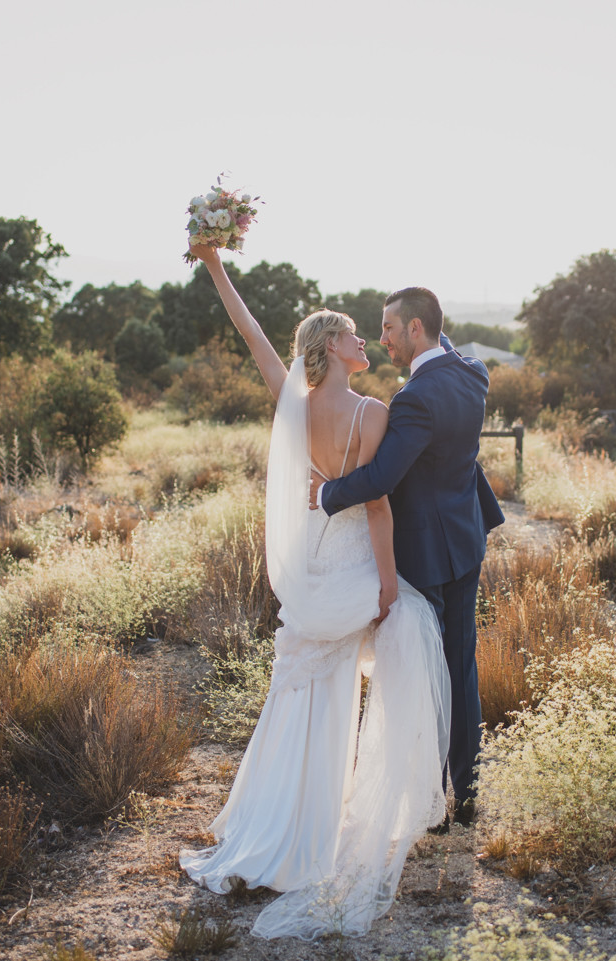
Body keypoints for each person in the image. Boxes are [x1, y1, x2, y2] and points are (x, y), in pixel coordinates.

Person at [179, 245, 451, 940]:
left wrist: (214, 262)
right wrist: (388, 584)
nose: (367, 339)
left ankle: (273, 827)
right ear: (333, 344)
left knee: (295, 694)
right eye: (356, 332)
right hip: (356, 566)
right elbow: (379, 506)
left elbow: (250, 333)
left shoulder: (293, 401)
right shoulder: (371, 413)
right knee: (397, 641)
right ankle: (337, 829)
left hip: (312, 574)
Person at [315, 286, 504, 830]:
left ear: (415, 329)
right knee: (460, 665)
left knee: (421, 672)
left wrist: (326, 495)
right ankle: (466, 794)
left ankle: (428, 799)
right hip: (468, 538)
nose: (383, 339)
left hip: (425, 549)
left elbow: (382, 478)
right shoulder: (473, 372)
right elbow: (442, 342)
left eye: (390, 329)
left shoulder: (415, 399)